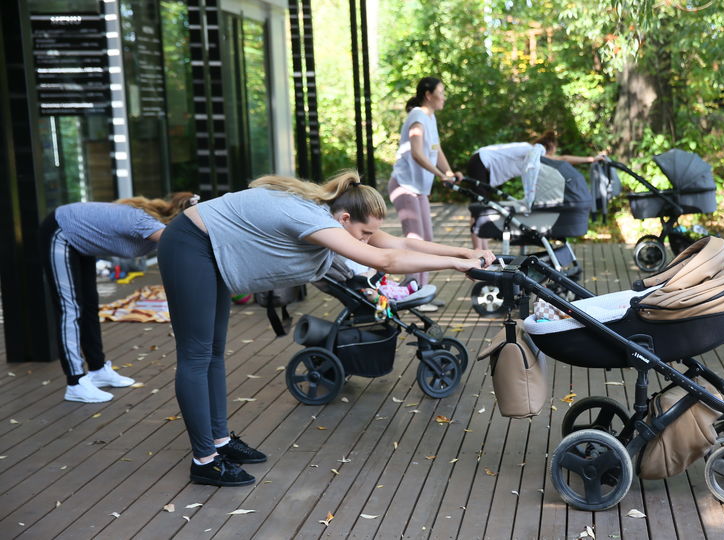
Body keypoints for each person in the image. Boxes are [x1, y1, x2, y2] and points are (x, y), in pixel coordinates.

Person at [157, 170, 494, 487]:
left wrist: (464, 251)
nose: (367, 239)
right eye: (364, 233)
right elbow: (385, 261)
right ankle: (205, 462)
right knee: (197, 355)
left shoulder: (333, 216)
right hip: (190, 245)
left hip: (212, 250)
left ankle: (220, 441)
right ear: (345, 218)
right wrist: (454, 264)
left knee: (213, 352)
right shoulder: (312, 219)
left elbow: (399, 245)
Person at [39, 192, 197, 403]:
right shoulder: (145, 223)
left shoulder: (153, 226)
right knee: (70, 308)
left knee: (89, 304)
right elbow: (184, 245)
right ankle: (75, 382)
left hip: (80, 242)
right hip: (60, 231)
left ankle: (97, 370)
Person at [387, 76, 462, 310]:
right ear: (428, 95)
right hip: (404, 186)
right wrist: (441, 175)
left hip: (418, 189)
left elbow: (435, 148)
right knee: (415, 241)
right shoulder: (418, 116)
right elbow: (417, 153)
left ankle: (421, 292)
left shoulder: (430, 117)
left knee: (426, 240)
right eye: (441, 91)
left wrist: (448, 171)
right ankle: (412, 294)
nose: (444, 96)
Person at [465, 130, 605, 250]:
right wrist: (591, 159)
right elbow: (562, 159)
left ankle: (483, 250)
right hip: (481, 161)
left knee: (484, 206)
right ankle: (478, 251)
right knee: (480, 208)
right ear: (550, 146)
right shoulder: (534, 151)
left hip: (481, 161)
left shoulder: (530, 151)